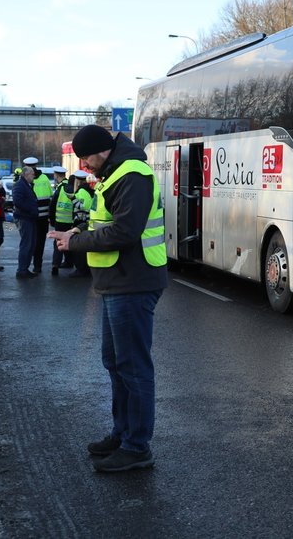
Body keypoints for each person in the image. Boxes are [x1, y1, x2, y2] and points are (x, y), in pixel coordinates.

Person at [49, 125, 167, 473]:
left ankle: (137, 446)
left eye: (87, 158)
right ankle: (123, 433)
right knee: (116, 364)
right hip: (117, 281)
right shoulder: (114, 172)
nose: (84, 165)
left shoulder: (132, 173)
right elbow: (107, 223)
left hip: (133, 281)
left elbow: (126, 232)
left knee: (133, 367)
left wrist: (76, 243)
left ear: (103, 150)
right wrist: (77, 231)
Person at [23, 156, 52, 274]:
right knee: (40, 243)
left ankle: (25, 266)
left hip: (31, 216)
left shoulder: (26, 179)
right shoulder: (45, 178)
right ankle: (37, 266)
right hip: (44, 217)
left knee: (29, 242)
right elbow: (50, 195)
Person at [12, 165, 39, 279]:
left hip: (29, 218)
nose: (34, 176)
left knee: (31, 244)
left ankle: (25, 269)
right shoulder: (20, 185)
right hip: (24, 218)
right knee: (26, 245)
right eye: (32, 174)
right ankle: (22, 270)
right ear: (26, 175)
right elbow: (18, 202)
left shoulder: (26, 185)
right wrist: (31, 209)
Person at [66, 170, 94, 278]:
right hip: (84, 221)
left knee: (79, 247)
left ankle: (81, 269)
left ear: (78, 180)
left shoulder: (82, 191)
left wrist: (73, 199)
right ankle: (83, 268)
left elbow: (84, 206)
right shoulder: (87, 189)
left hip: (81, 222)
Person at [49, 166, 74, 275]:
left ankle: (55, 265)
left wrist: (52, 220)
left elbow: (52, 205)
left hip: (60, 221)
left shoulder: (60, 188)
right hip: (71, 222)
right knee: (69, 241)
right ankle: (69, 262)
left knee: (58, 243)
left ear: (56, 175)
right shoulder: (71, 186)